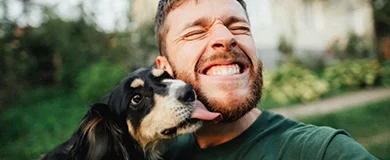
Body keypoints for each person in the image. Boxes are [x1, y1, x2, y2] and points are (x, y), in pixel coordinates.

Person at [154, 0, 377, 159]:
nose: (226, 37)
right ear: (164, 70)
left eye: (239, 27)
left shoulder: (322, 151)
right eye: (195, 33)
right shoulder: (158, 152)